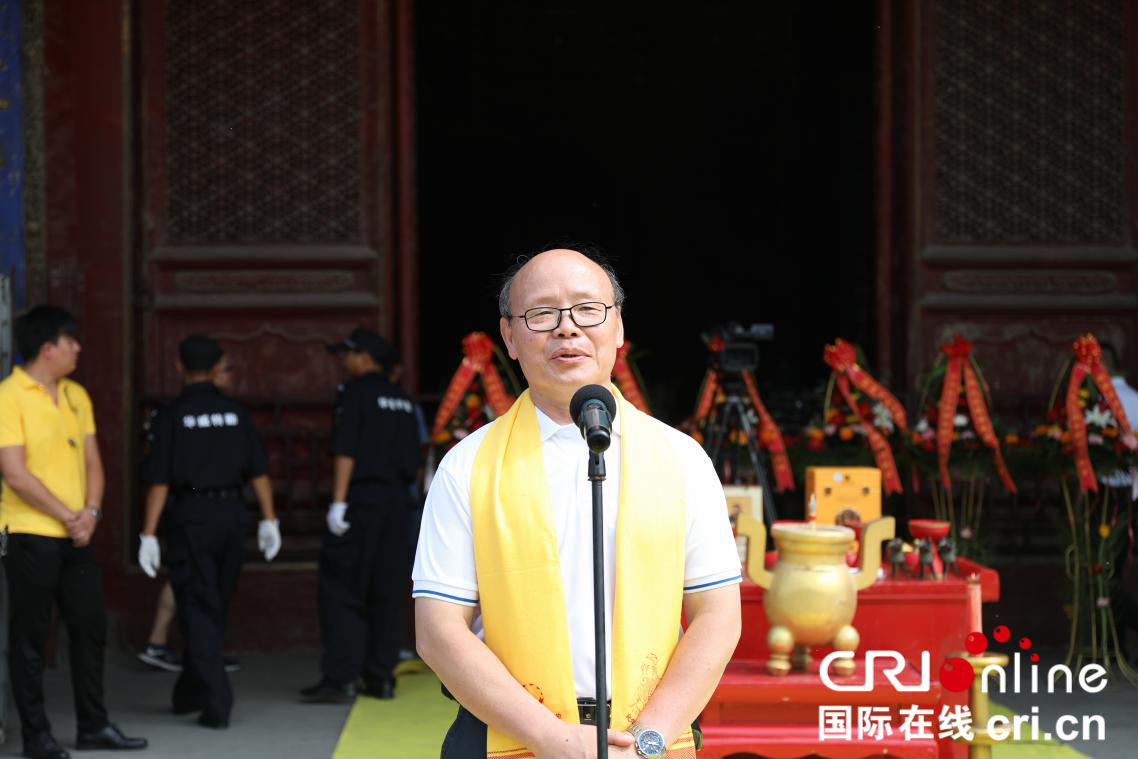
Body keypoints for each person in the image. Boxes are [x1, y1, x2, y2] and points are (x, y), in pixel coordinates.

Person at [413, 248, 742, 759]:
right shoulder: (467, 466)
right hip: (507, 735)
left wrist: (647, 742)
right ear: (510, 338)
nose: (567, 330)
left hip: (653, 735)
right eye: (542, 314)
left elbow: (717, 614)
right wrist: (553, 739)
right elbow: (437, 632)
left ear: (618, 330)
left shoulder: (681, 459)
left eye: (588, 311)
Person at [0, 305, 148, 759]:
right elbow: (14, 473)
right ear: (48, 348)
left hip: (78, 534)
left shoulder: (76, 395)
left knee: (89, 627)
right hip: (29, 532)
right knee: (30, 638)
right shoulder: (9, 396)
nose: (78, 348)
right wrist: (70, 515)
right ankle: (36, 737)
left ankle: (94, 725)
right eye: (71, 341)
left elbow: (93, 462)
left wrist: (92, 513)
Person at [136, 335, 281, 728]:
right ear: (218, 367)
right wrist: (269, 519)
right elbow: (259, 471)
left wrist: (148, 533)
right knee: (211, 601)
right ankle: (190, 692)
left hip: (191, 515)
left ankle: (217, 703)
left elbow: (160, 482)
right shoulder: (237, 413)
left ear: (179, 367)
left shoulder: (172, 417)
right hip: (232, 515)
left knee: (198, 605)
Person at [299, 328, 423, 703]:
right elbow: (416, 460)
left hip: (362, 500)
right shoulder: (404, 400)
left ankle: (341, 678)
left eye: (348, 354)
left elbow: (346, 449)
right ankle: (380, 677)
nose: (343, 361)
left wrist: (338, 503)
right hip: (398, 504)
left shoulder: (353, 394)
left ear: (365, 358)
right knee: (386, 591)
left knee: (341, 589)